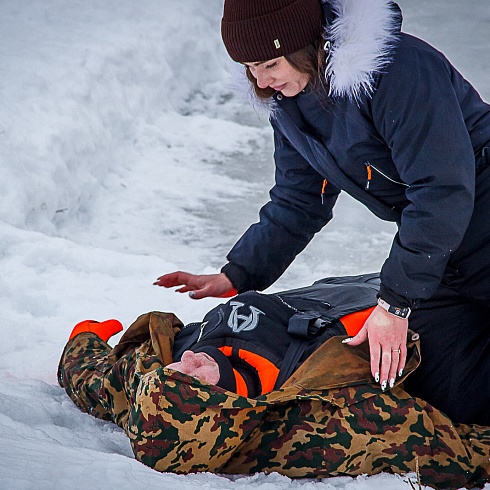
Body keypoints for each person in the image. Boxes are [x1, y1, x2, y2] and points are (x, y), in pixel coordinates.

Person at [154, 0, 490, 425]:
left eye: (269, 63)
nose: (260, 81)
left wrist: (396, 303)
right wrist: (239, 273)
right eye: (250, 67)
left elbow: (441, 189)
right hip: (446, 250)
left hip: (468, 215)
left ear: (302, 45)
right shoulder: (292, 103)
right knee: (444, 390)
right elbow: (299, 199)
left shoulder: (399, 70)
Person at [58, 277, 490, 488]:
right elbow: (440, 449)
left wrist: (84, 337)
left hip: (375, 288)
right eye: (193, 375)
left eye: (173, 369)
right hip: (435, 336)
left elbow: (93, 380)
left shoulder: (152, 389)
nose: (186, 358)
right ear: (221, 404)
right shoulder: (315, 429)